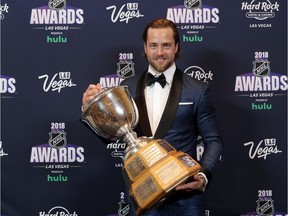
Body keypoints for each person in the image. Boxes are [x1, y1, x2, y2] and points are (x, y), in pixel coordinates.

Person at [82, 18, 223, 216]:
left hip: (185, 198)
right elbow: (112, 136)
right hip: (144, 197)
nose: (159, 52)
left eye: (166, 45)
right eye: (153, 46)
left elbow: (213, 140)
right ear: (145, 48)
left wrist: (203, 174)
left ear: (176, 47)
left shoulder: (197, 90)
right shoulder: (126, 88)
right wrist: (91, 110)